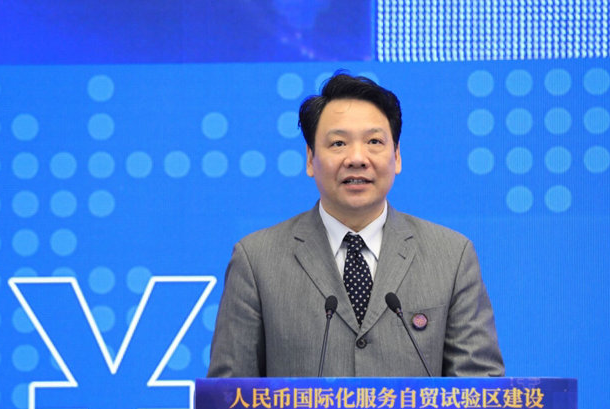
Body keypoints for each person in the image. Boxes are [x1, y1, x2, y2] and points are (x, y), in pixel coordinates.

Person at [208, 72, 504, 377]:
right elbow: (228, 396)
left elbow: (480, 391)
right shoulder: (256, 260)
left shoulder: (451, 256)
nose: (357, 158)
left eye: (374, 141)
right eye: (338, 143)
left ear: (397, 156)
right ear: (310, 159)